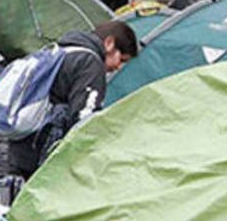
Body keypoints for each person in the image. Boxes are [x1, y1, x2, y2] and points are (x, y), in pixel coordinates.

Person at [8, 21, 137, 179]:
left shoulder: (61, 50)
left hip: (17, 142)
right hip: (40, 155)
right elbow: (84, 121)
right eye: (121, 59)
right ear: (109, 43)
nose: (118, 67)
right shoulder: (91, 63)